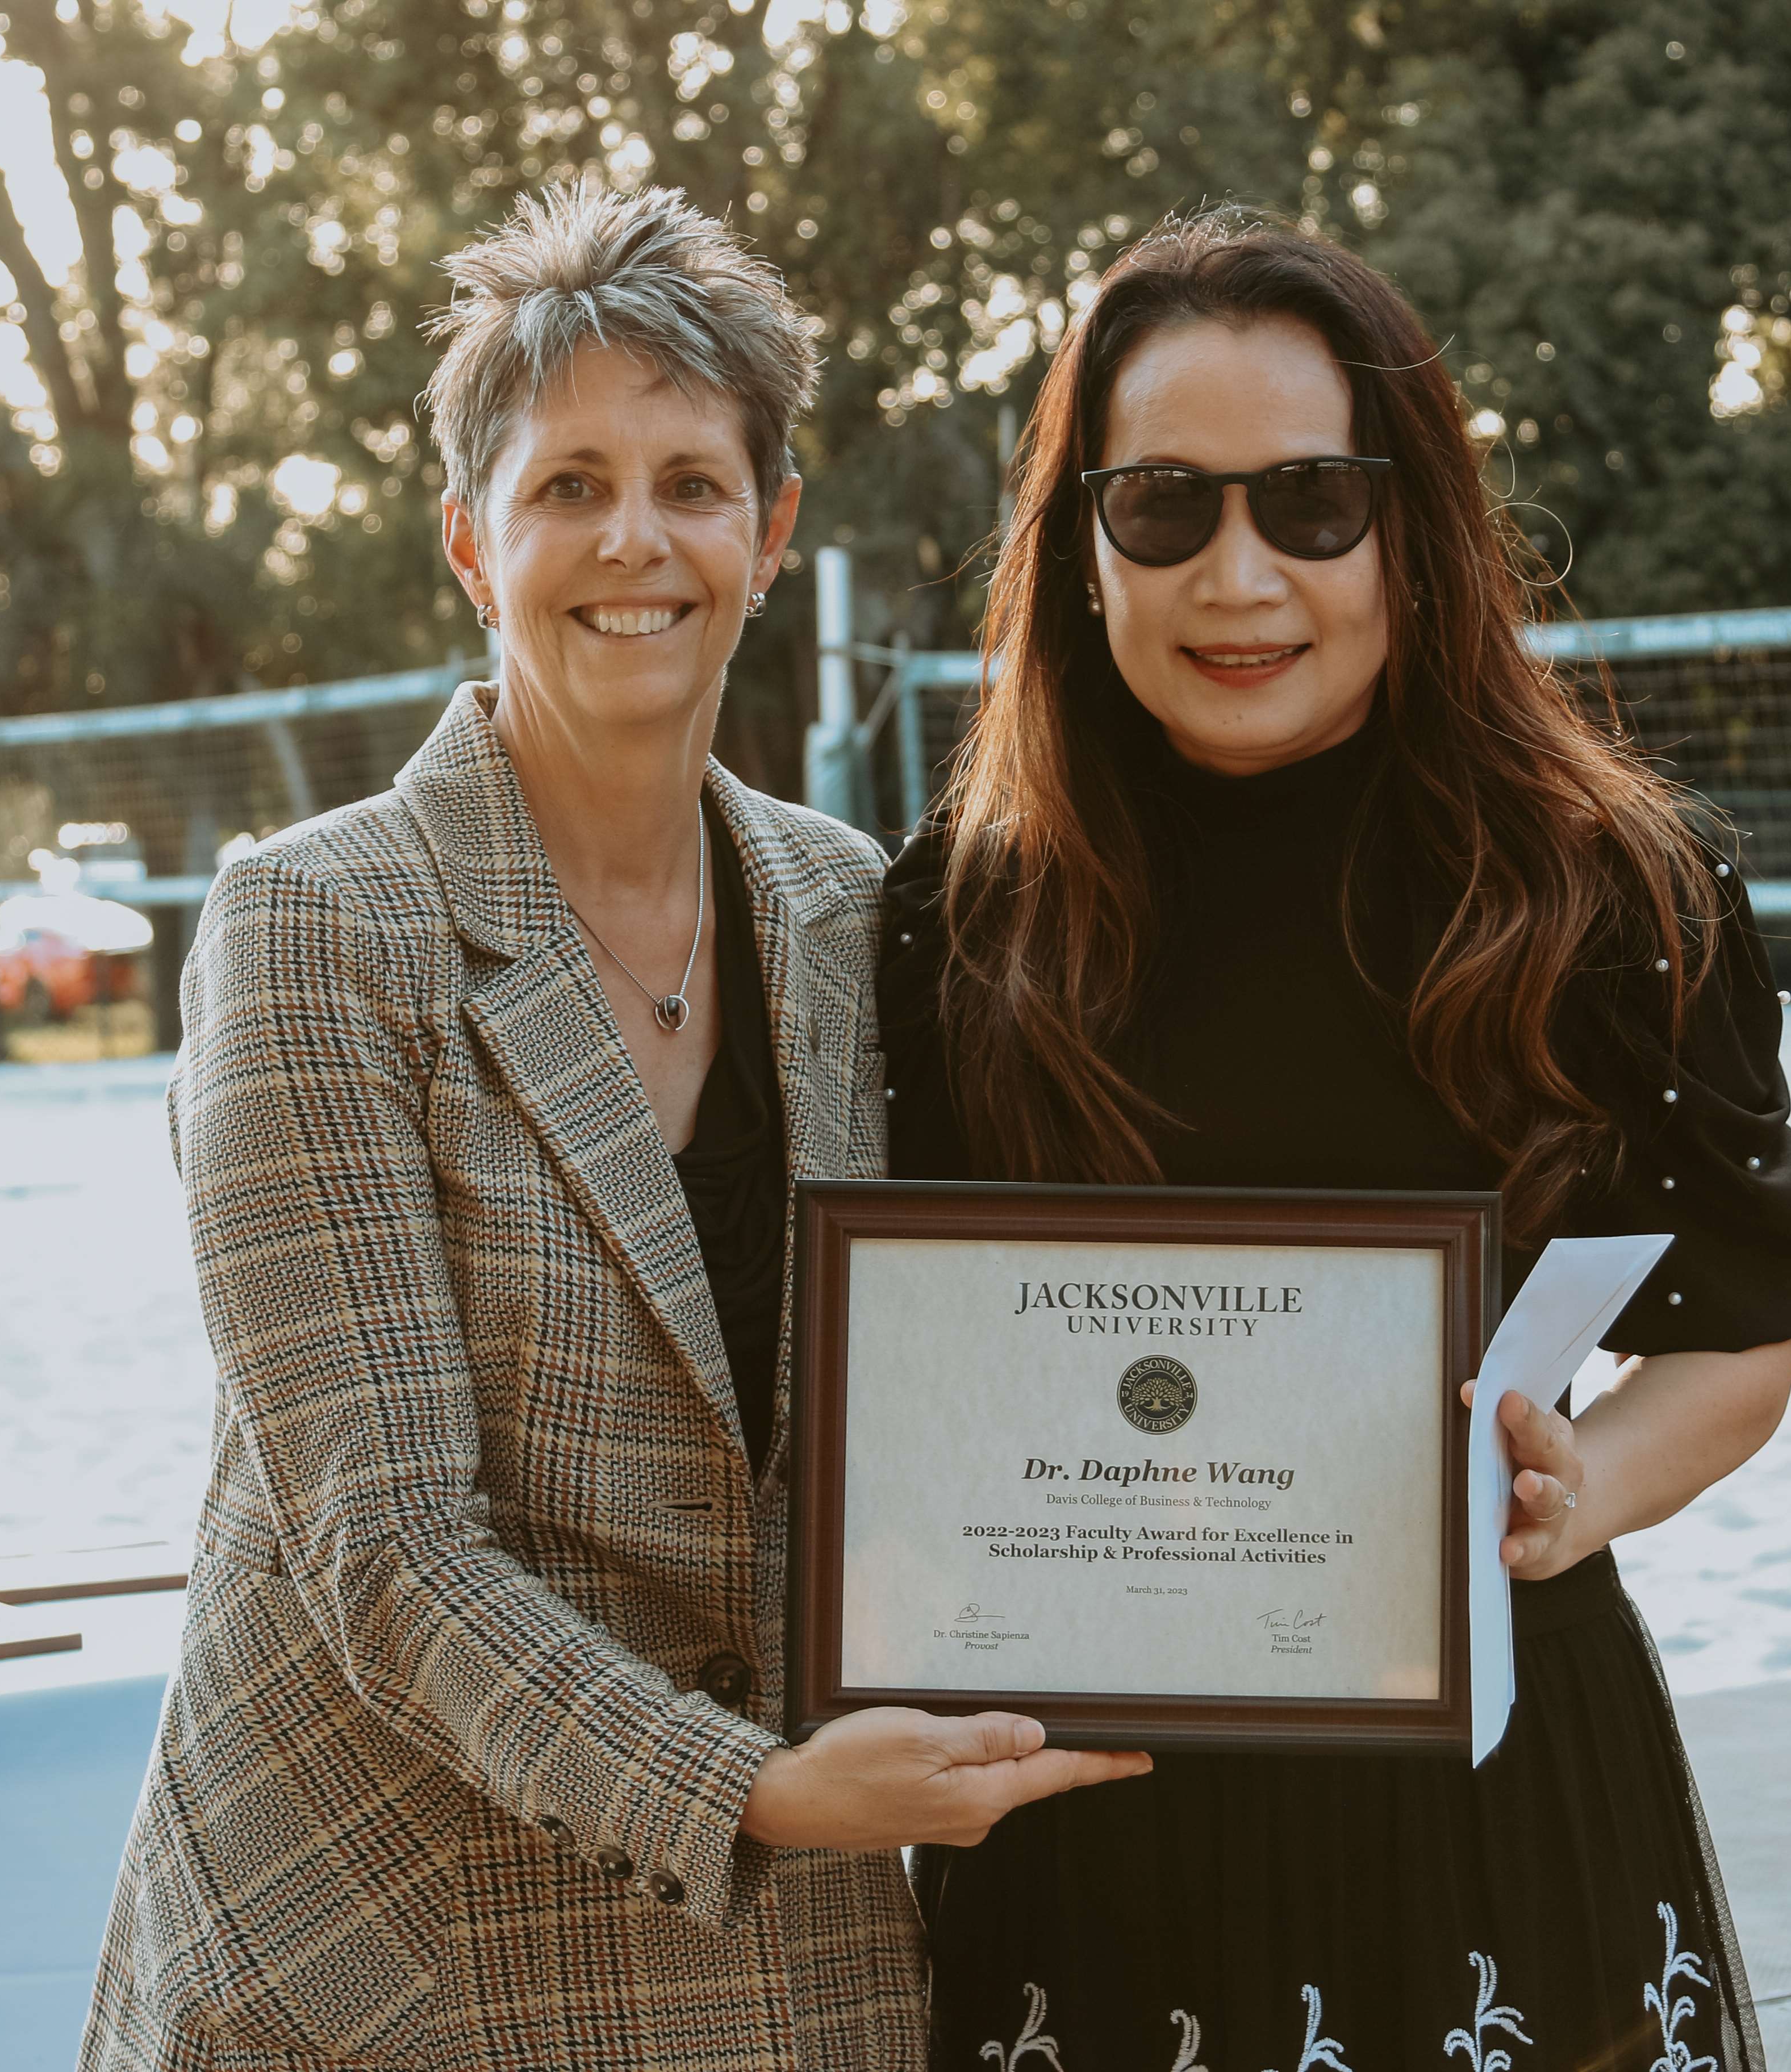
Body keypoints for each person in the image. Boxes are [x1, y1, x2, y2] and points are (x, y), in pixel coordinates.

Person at [81, 185, 1143, 2072]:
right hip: (386, 1961)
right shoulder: (315, 923)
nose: (630, 538)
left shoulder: (853, 913)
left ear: (771, 529)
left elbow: (976, 1386)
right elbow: (385, 1548)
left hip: (793, 1982)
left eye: (689, 481)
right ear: (471, 547)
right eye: (568, 484)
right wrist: (757, 1791)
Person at [880, 207, 1791, 2070]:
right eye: (1164, 505)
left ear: (1413, 527)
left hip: (1486, 1788)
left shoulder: (1614, 889)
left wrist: (1585, 1492)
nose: (1241, 574)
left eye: (1310, 502)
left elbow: (1737, 1338)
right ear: (1082, 548)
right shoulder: (958, 919)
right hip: (1098, 1819)